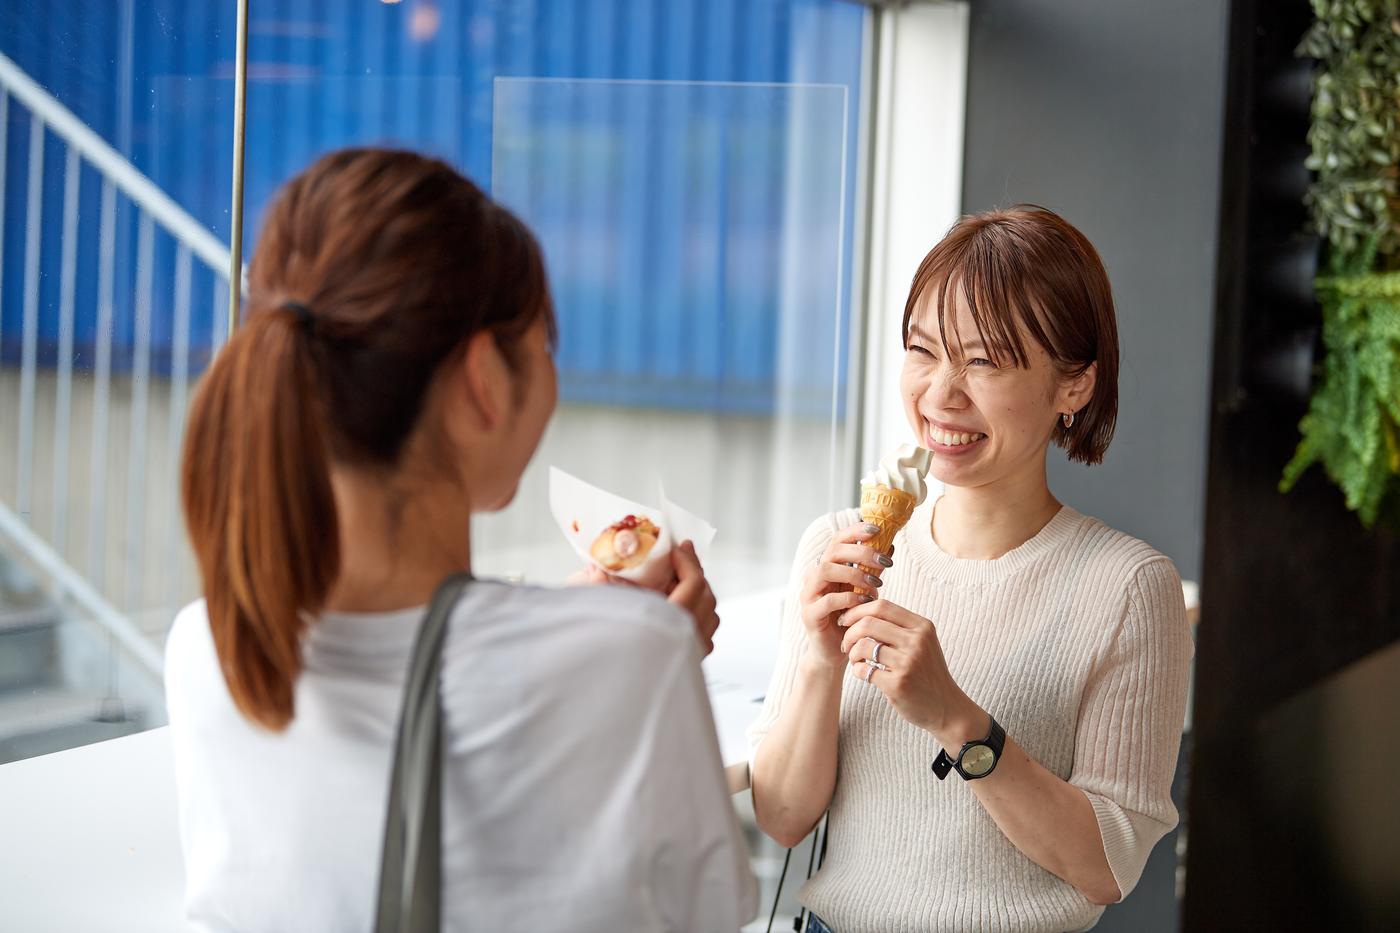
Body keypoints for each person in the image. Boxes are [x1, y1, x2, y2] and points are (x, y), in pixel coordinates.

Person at [165, 148, 757, 932]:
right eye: (544, 343)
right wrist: (636, 648)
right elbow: (702, 914)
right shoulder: (633, 658)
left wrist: (575, 627)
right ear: (482, 378)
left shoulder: (208, 643)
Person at [748, 206, 1194, 932]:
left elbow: (1106, 867)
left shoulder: (1128, 588)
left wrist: (956, 717)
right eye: (923, 350)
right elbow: (782, 816)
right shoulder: (837, 545)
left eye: (984, 360)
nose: (941, 393)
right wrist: (821, 662)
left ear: (1073, 385)